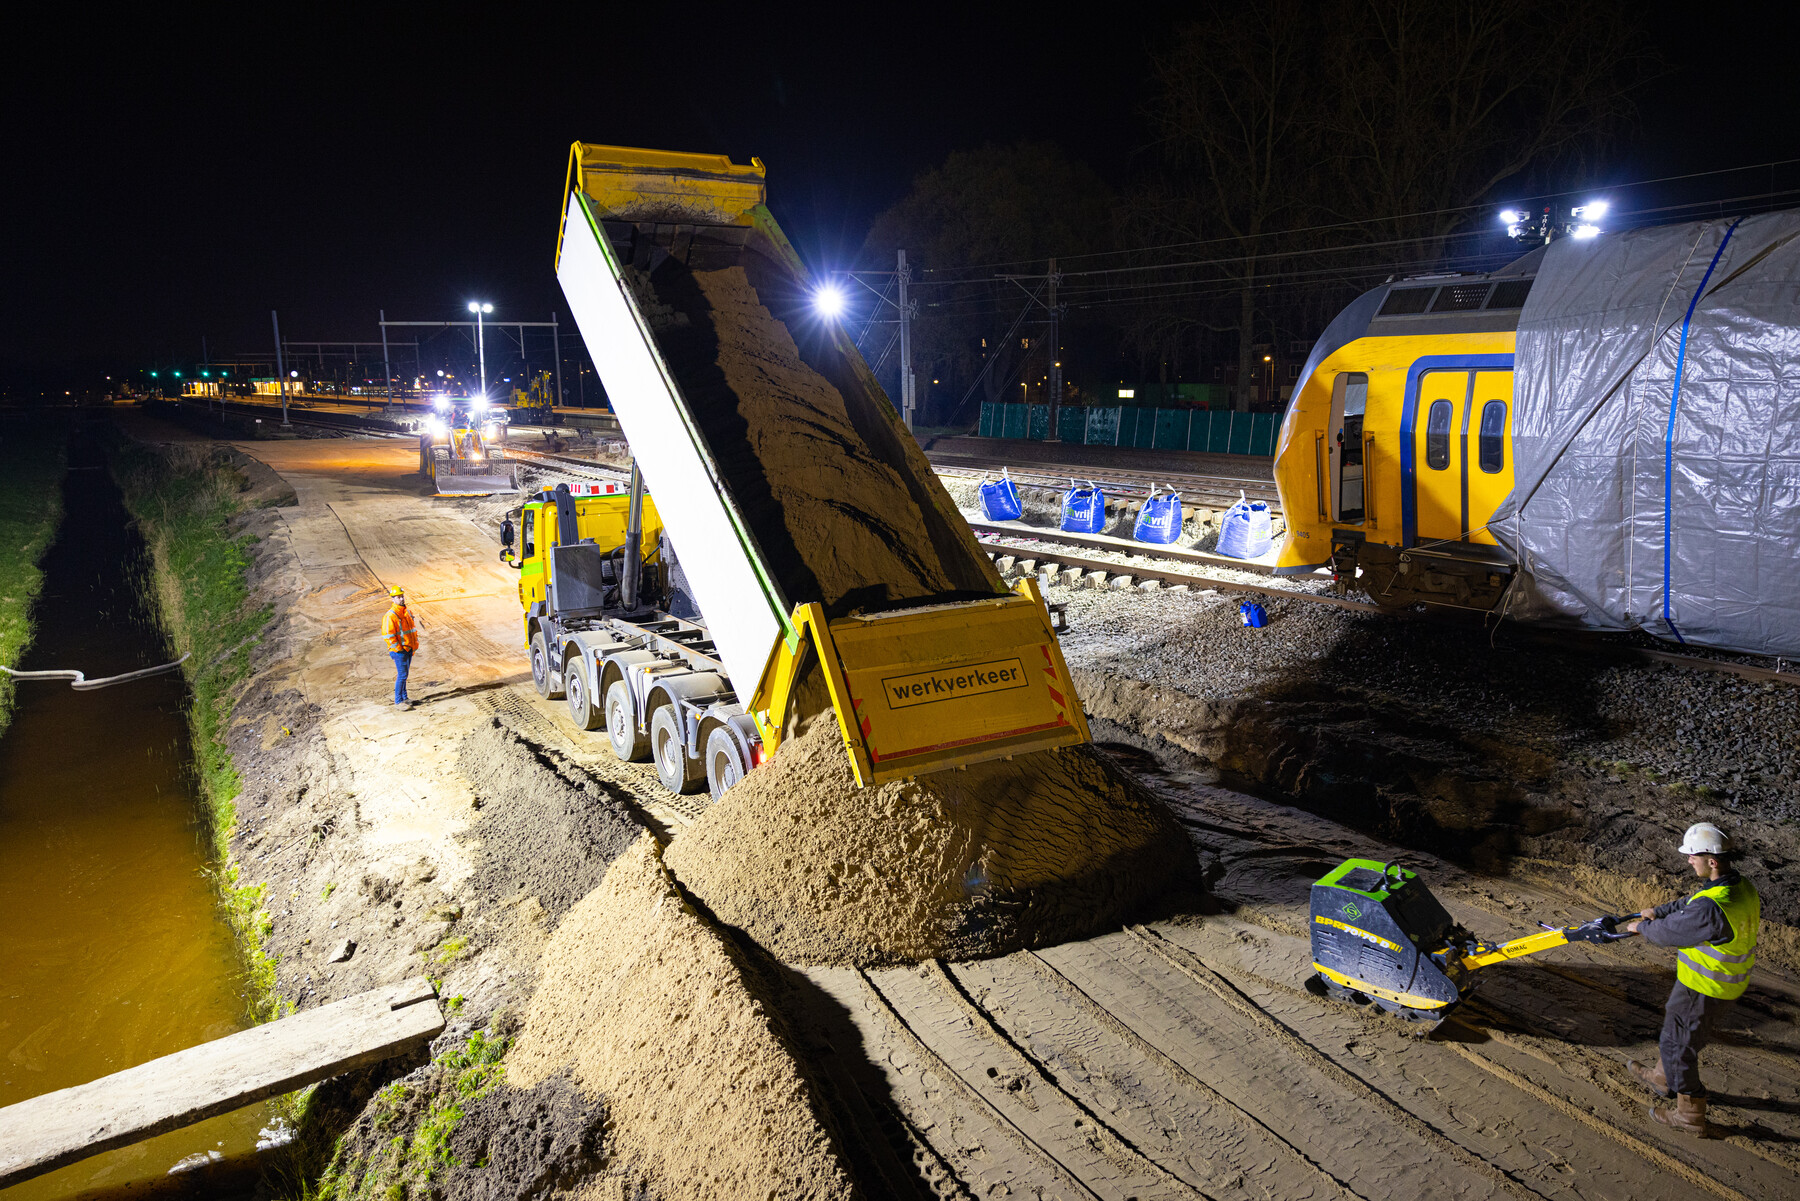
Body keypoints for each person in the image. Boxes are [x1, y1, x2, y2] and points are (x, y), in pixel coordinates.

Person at [1622, 822, 1759, 1137]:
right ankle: (1662, 1078)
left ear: (1711, 860)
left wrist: (1642, 928)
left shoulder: (1713, 908)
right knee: (1674, 1032)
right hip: (1707, 983)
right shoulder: (1736, 886)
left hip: (1707, 989)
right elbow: (1690, 905)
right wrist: (1658, 910)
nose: (1688, 860)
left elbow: (1673, 932)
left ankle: (1690, 1115)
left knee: (1680, 1046)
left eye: (1692, 855)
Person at [383, 585, 419, 710]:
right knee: (402, 675)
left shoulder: (407, 612)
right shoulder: (390, 616)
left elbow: (411, 630)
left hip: (408, 648)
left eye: (402, 596)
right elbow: (389, 636)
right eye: (398, 597)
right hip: (399, 651)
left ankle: (405, 698)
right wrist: (399, 649)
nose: (401, 599)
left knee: (405, 675)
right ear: (393, 599)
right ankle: (398, 701)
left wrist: (414, 645)